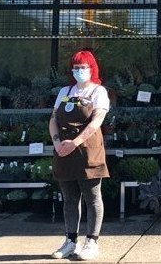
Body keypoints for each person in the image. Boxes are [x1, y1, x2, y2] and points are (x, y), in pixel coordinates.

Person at [49, 49, 110, 260]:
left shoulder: (98, 92)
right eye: (75, 67)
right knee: (69, 198)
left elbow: (96, 121)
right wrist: (57, 143)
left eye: (83, 67)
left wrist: (75, 142)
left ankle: (92, 241)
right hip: (64, 151)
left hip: (87, 150)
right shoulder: (65, 91)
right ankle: (70, 241)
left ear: (91, 69)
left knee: (92, 198)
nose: (79, 71)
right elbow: (53, 120)